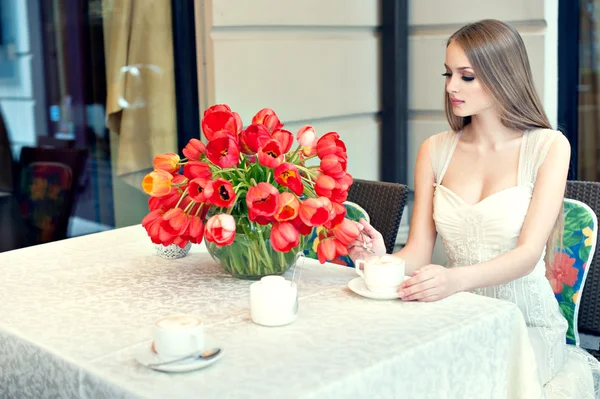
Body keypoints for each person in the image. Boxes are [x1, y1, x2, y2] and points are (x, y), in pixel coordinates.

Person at [349, 19, 600, 395]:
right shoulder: (434, 150)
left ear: (503, 75)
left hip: (525, 326)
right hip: (454, 317)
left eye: (467, 76)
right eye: (448, 74)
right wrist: (380, 262)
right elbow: (418, 249)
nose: (451, 86)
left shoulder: (549, 147)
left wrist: (454, 280)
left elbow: (527, 255)